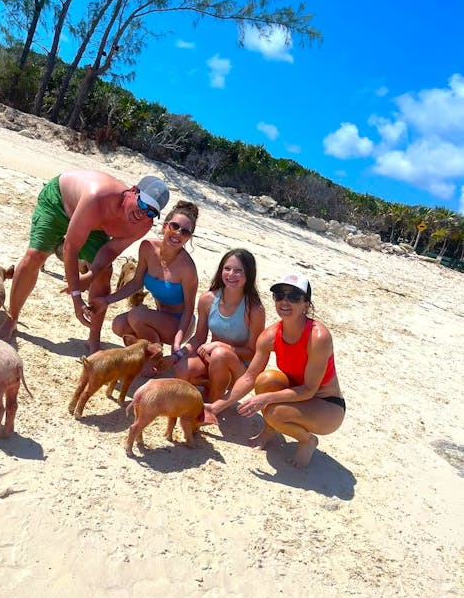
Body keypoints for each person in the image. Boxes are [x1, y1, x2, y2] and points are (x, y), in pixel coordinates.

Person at [0, 170, 169, 353]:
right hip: (60, 203)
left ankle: (93, 337)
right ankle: (11, 318)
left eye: (151, 211)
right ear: (133, 191)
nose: (142, 213)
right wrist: (77, 297)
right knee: (35, 256)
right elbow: (71, 248)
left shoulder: (142, 224)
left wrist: (90, 275)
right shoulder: (98, 196)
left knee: (104, 273)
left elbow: (110, 250)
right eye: (142, 203)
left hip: (94, 224)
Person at [207, 272, 345, 468]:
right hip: (297, 394)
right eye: (279, 296)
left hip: (327, 405)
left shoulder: (318, 337)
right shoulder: (270, 335)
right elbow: (250, 376)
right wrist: (216, 407)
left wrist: (266, 399)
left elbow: (309, 390)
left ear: (306, 304)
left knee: (273, 412)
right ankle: (269, 431)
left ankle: (307, 440)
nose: (284, 301)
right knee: (265, 379)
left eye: (293, 297)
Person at [90, 200, 199, 353]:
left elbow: (189, 310)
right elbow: (136, 282)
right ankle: (148, 352)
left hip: (179, 323)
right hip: (158, 316)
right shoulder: (147, 247)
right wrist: (106, 300)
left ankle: (154, 356)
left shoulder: (187, 268)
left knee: (136, 315)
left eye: (185, 232)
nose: (178, 233)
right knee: (119, 325)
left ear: (188, 238)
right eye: (175, 226)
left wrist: (177, 343)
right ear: (164, 226)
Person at [169, 248, 265, 402]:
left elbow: (253, 353)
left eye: (238, 270)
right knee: (182, 368)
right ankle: (208, 387)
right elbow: (199, 337)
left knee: (220, 354)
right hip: (211, 358)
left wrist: (221, 346)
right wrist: (176, 356)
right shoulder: (207, 299)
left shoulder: (254, 309)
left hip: (239, 368)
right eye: (227, 269)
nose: (231, 274)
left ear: (249, 274)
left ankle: (213, 404)